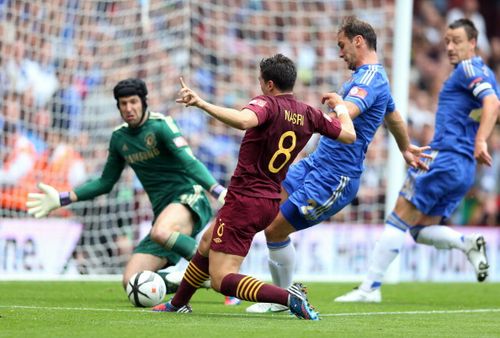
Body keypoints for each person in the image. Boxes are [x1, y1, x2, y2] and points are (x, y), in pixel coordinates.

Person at [245, 16, 432, 313]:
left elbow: (350, 114)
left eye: (342, 45)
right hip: (314, 164)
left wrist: (337, 104)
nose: (340, 52)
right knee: (262, 206)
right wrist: (405, 147)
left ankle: (281, 300)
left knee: (275, 230)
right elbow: (393, 116)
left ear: (358, 41)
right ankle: (215, 265)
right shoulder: (365, 78)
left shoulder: (370, 79)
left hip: (334, 179)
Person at [152, 53, 356, 320]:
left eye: (261, 81)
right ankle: (178, 303)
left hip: (244, 200)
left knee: (221, 279)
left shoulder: (267, 104)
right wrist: (340, 106)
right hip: (270, 201)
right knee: (206, 242)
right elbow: (349, 135)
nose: (260, 85)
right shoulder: (310, 113)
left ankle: (287, 297)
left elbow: (244, 120)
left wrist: (201, 103)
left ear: (270, 84)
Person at [334, 18, 499, 303]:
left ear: (473, 42)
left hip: (444, 156)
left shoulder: (469, 67)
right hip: (463, 168)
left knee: (398, 218)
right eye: (447, 40)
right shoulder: (484, 73)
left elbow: (493, 103)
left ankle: (369, 288)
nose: (450, 47)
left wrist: (482, 139)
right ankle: (467, 243)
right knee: (419, 230)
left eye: (457, 41)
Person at [25, 78, 226, 297]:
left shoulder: (161, 126)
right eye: (123, 103)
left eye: (133, 102)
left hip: (189, 198)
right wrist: (63, 198)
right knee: (132, 282)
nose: (129, 108)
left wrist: (217, 190)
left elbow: (190, 162)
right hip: (162, 212)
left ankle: (214, 271)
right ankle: (193, 278)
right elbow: (105, 182)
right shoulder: (119, 138)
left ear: (143, 102)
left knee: (161, 231)